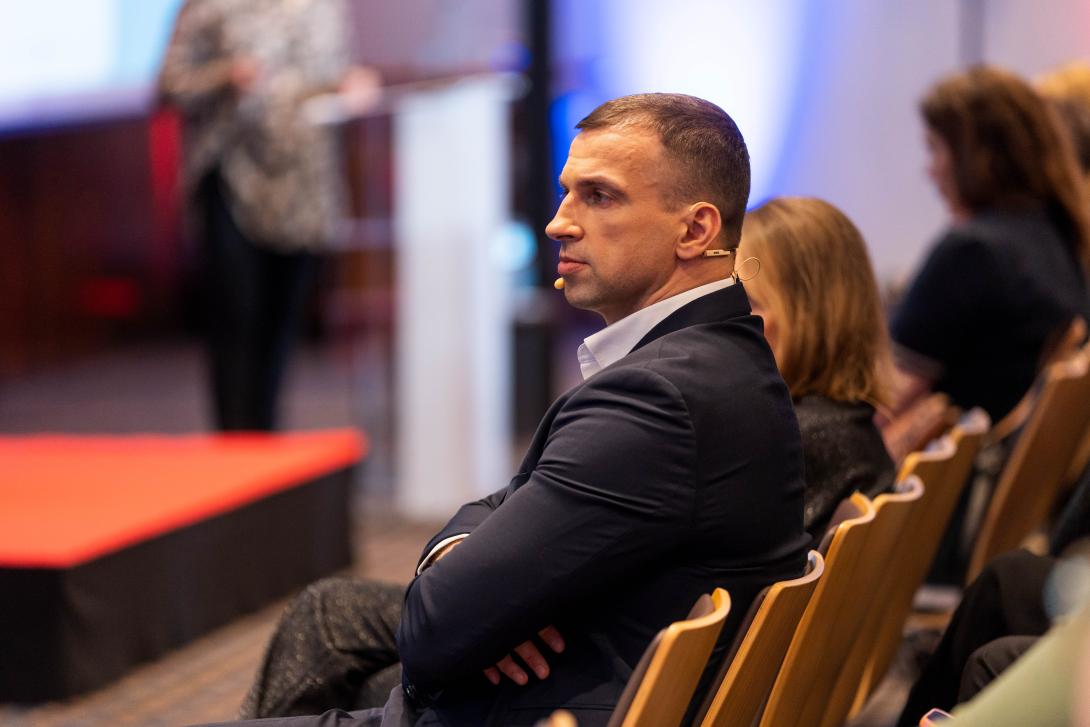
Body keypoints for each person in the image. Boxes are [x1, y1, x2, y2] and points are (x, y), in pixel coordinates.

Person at [223, 93, 810, 727]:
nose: (559, 223)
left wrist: (481, 601)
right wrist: (462, 564)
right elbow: (504, 505)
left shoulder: (656, 398)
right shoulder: (723, 358)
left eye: (599, 196)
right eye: (566, 193)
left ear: (694, 231)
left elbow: (433, 628)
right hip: (579, 699)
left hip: (537, 712)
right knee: (332, 619)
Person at [157, 0, 378, 431]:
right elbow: (168, 84)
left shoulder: (323, 7)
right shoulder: (210, 5)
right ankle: (234, 447)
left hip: (303, 190)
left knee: (280, 328)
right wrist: (225, 75)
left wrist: (351, 85)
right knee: (237, 322)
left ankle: (266, 442)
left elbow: (333, 75)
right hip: (234, 181)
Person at [889, 65, 1090, 424]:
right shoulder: (1058, 234)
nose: (929, 171)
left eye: (935, 148)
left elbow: (884, 401)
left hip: (975, 451)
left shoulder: (973, 252)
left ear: (975, 156)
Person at [739, 197, 895, 539]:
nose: (724, 320)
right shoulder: (846, 423)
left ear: (808, 316)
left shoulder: (794, 443)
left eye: (746, 302)